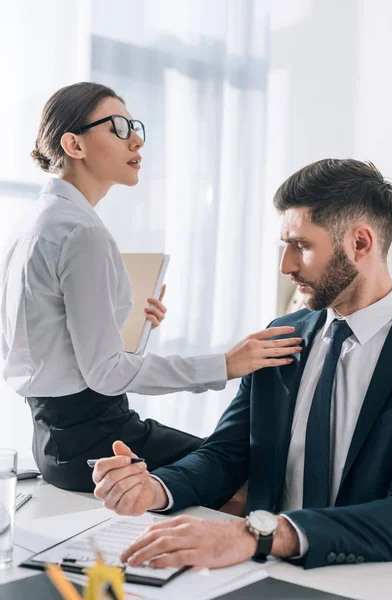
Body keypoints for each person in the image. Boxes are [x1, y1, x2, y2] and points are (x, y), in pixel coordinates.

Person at [93, 158, 392, 570]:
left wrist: (260, 533)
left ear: (360, 243)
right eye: (285, 245)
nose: (286, 265)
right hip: (261, 576)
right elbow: (227, 453)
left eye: (302, 246)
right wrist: (156, 488)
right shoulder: (282, 335)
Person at [0, 82, 302, 493]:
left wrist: (130, 325)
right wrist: (225, 364)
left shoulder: (34, 221)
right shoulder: (82, 232)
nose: (137, 139)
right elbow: (105, 373)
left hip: (55, 441)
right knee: (250, 480)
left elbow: (47, 342)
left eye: (135, 126)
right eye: (119, 127)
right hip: (99, 439)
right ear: (74, 144)